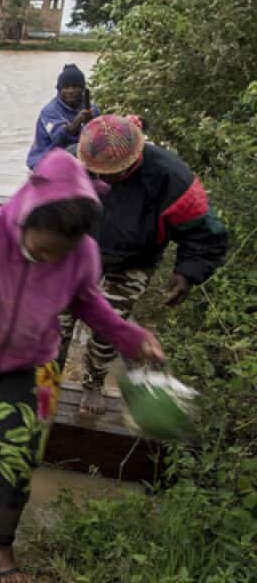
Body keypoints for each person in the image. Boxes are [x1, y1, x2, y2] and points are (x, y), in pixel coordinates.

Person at [0, 149, 163, 583]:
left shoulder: (82, 253)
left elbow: (89, 303)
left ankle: (1, 549)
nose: (51, 260)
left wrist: (131, 337)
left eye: (60, 254)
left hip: (29, 364)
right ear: (27, 217)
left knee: (15, 457)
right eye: (42, 249)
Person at [61, 115, 227, 415]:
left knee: (108, 329)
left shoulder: (169, 177)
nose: (102, 179)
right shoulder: (75, 161)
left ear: (133, 160)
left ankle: (93, 384)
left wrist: (187, 273)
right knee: (53, 325)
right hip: (75, 254)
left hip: (132, 260)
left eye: (109, 174)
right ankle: (43, 383)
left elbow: (205, 232)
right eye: (94, 172)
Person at [25, 64, 98, 169]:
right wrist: (77, 122)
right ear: (59, 90)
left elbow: (99, 136)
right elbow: (58, 138)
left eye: (75, 87)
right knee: (79, 150)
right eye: (66, 87)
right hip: (45, 159)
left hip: (73, 157)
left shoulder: (92, 109)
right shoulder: (50, 111)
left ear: (82, 90)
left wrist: (92, 123)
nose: (70, 91)